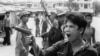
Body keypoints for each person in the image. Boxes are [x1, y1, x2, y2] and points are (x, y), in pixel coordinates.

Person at [26, 12, 98, 56]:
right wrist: (34, 44)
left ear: (81, 30)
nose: (66, 29)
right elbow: (42, 54)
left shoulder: (91, 52)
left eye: (71, 26)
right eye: (66, 26)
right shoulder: (61, 45)